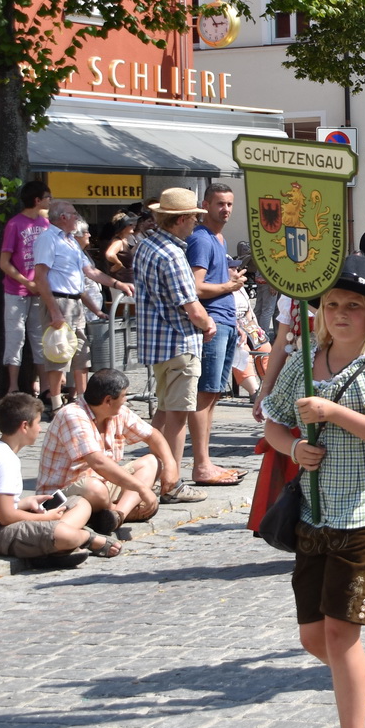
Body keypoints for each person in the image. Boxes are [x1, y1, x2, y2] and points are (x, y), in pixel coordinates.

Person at [262, 265, 365, 728]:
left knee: (339, 634)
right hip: (315, 513)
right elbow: (274, 424)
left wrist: (334, 414)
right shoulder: (307, 360)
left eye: (353, 305)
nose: (341, 313)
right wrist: (293, 448)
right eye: (332, 305)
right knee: (313, 636)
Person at [0, 393, 122, 560]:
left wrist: (26, 503)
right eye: (37, 423)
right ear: (24, 426)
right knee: (64, 534)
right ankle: (86, 538)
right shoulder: (5, 460)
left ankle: (52, 543)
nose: (40, 428)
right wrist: (45, 518)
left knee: (81, 503)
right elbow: (6, 516)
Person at [130, 188, 215, 505]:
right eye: (194, 216)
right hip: (178, 343)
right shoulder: (172, 254)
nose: (195, 221)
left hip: (157, 343)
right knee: (177, 416)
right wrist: (209, 324)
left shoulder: (146, 246)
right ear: (180, 219)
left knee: (164, 414)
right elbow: (191, 306)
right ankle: (172, 482)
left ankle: (153, 472)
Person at [36, 367, 183, 528]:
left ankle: (117, 515)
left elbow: (152, 435)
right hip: (62, 495)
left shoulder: (118, 411)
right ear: (108, 400)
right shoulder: (73, 415)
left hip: (103, 485)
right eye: (124, 395)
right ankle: (113, 511)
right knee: (94, 487)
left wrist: (171, 465)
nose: (126, 399)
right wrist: (141, 489)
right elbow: (98, 462)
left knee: (153, 462)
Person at [30, 201, 131, 413]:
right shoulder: (48, 239)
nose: (77, 217)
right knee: (59, 352)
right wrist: (54, 310)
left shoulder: (71, 242)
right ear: (62, 217)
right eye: (73, 213)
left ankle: (84, 401)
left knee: (81, 353)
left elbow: (89, 273)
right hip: (58, 300)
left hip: (75, 301)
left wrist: (116, 283)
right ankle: (56, 403)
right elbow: (40, 277)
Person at [183, 184, 247, 486]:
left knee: (213, 395)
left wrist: (228, 281)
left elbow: (212, 281)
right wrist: (228, 287)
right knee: (204, 394)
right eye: (220, 203)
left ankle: (205, 461)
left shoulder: (218, 238)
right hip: (211, 324)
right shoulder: (201, 239)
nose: (226, 209)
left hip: (225, 321)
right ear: (205, 205)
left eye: (229, 204)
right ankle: (201, 464)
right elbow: (194, 287)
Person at [0, 181, 52, 399]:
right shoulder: (14, 224)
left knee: (40, 339)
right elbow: (4, 262)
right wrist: (26, 282)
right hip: (16, 291)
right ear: (37, 200)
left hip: (39, 292)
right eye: (48, 197)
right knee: (15, 337)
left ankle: (46, 387)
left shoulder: (46, 224)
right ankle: (12, 386)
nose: (50, 201)